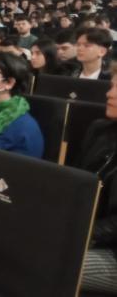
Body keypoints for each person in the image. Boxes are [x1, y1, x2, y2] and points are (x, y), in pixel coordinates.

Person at [78, 73, 117, 294]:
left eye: (116, 88)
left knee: (46, 262)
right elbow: (76, 181)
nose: (108, 93)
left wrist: (80, 234)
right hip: (89, 231)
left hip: (112, 251)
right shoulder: (100, 129)